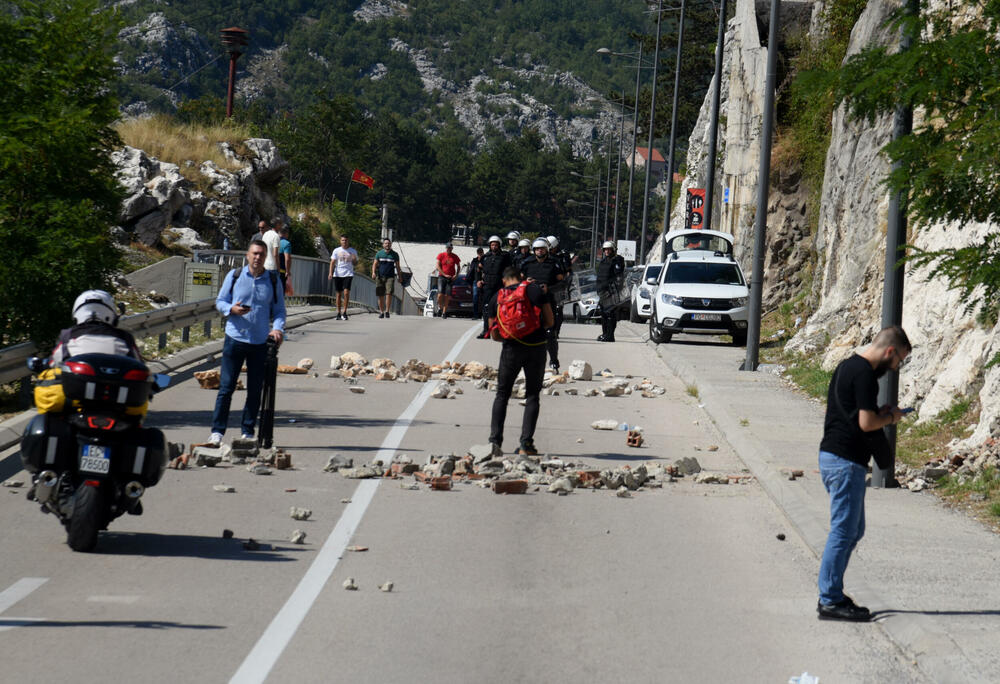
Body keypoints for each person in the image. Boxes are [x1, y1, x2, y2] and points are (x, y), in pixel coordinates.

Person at [816, 325, 911, 622]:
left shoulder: (849, 366)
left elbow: (857, 414)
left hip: (838, 458)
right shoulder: (865, 374)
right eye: (898, 361)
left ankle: (833, 592)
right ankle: (829, 599)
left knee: (853, 530)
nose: (895, 368)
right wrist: (892, 417)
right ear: (890, 351)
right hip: (844, 461)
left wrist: (880, 413)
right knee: (844, 531)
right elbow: (867, 423)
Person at [208, 240, 286, 445]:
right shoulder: (234, 276)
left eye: (261, 254)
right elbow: (220, 301)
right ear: (247, 255)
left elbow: (279, 311)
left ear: (266, 256)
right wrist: (231, 310)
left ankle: (247, 431)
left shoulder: (273, 279)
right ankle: (217, 432)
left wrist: (278, 328)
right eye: (254, 253)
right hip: (235, 338)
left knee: (255, 390)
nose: (257, 257)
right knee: (226, 388)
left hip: (259, 342)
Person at [487, 267, 554, 457]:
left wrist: (512, 335)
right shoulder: (534, 290)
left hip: (511, 350)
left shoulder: (498, 296)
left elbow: (494, 334)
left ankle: (495, 443)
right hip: (537, 347)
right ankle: (526, 444)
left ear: (504, 279)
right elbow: (550, 322)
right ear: (521, 277)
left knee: (502, 394)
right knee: (532, 396)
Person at [50, 290, 142, 365]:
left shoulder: (67, 335)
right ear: (111, 315)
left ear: (76, 314)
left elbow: (53, 363)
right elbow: (139, 364)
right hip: (116, 385)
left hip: (75, 385)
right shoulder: (124, 337)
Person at [519, 237, 565, 371]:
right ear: (533, 250)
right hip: (530, 302)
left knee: (550, 332)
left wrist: (549, 288)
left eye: (542, 249)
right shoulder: (526, 263)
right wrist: (526, 282)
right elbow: (517, 281)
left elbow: (563, 283)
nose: (539, 251)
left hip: (548, 301)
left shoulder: (554, 263)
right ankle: (527, 361)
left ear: (547, 250)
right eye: (537, 249)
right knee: (528, 332)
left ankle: (554, 361)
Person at [477, 235, 512, 337]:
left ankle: (500, 331)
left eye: (496, 245)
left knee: (500, 308)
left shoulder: (505, 256)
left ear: (499, 245)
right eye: (492, 245)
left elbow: (509, 270)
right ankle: (486, 331)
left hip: (499, 285)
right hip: (487, 285)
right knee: (486, 308)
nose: (494, 246)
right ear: (489, 245)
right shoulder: (485, 257)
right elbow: (478, 270)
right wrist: (479, 280)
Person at [596, 241, 626, 342]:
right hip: (602, 291)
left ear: (613, 250)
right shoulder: (603, 261)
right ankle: (605, 334)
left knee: (610, 314)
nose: (607, 251)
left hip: (611, 291)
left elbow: (619, 276)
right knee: (603, 314)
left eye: (609, 249)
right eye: (605, 249)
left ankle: (610, 335)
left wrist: (614, 290)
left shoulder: (617, 260)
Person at [329, 235, 359, 320]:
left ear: (348, 241)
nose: (344, 242)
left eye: (346, 240)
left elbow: (355, 263)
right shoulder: (336, 250)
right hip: (338, 274)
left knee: (346, 293)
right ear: (340, 241)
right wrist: (330, 273)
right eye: (342, 240)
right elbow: (332, 262)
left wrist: (354, 259)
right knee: (338, 294)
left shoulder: (353, 251)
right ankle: (338, 312)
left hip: (348, 273)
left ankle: (345, 312)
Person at [372, 237, 400, 319]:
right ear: (383, 245)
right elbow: (374, 264)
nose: (387, 244)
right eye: (386, 243)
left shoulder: (395, 254)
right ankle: (381, 312)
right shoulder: (379, 254)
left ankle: (387, 311)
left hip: (390, 277)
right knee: (380, 295)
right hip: (380, 277)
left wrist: (399, 276)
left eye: (388, 243)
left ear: (390, 244)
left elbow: (398, 267)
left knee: (389, 293)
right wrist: (373, 272)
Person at [434, 242, 462, 318]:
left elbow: (459, 266)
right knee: (440, 295)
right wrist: (444, 274)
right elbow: (438, 266)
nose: (449, 249)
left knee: (447, 295)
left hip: (450, 278)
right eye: (448, 248)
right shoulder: (441, 255)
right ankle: (440, 307)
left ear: (452, 248)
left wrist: (456, 275)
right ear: (446, 248)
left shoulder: (455, 256)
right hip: (442, 277)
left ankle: (444, 312)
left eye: (450, 248)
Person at [469, 247, 485, 317]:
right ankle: (475, 314)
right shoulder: (474, 260)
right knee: (475, 298)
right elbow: (471, 271)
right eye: (479, 252)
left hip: (484, 281)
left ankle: (483, 314)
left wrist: (482, 267)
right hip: (476, 281)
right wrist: (469, 282)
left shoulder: (486, 260)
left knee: (484, 298)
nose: (480, 254)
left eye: (481, 252)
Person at [278, 225, 292, 292]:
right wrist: (287, 271)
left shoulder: (273, 241)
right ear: (286, 233)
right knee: (280, 292)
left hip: (270, 270)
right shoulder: (286, 243)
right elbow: (287, 259)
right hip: (281, 272)